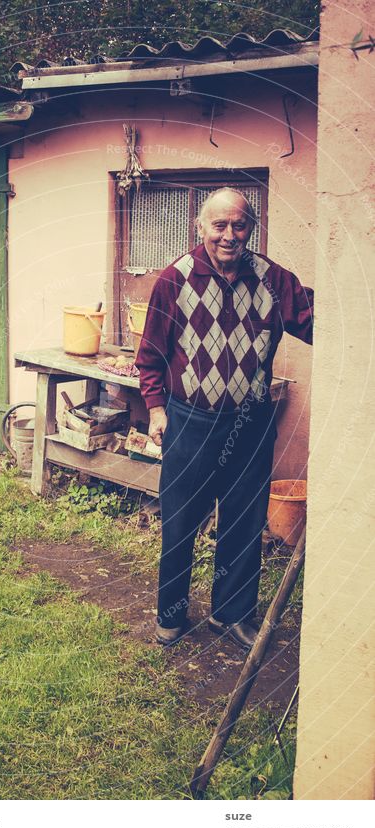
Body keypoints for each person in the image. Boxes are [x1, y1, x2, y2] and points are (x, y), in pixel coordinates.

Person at [135, 187, 314, 649]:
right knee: (180, 520)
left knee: (243, 519)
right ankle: (172, 615)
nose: (229, 235)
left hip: (251, 423)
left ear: (251, 227)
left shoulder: (274, 281)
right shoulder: (174, 280)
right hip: (189, 421)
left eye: (239, 225)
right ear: (201, 227)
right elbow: (151, 354)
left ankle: (231, 614)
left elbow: (316, 320)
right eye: (219, 225)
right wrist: (156, 409)